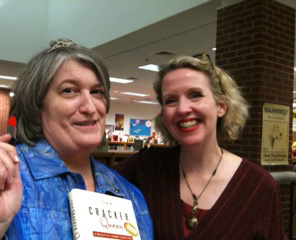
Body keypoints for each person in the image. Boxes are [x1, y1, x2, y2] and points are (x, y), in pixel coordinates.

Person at [0, 38, 154, 239]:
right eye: (69, 90)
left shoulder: (129, 195)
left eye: (96, 92)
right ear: (37, 105)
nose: (90, 107)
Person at [114, 53, 287, 239]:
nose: (182, 109)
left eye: (195, 95)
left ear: (221, 106)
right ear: (163, 114)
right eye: (171, 100)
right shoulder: (145, 167)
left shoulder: (258, 186)